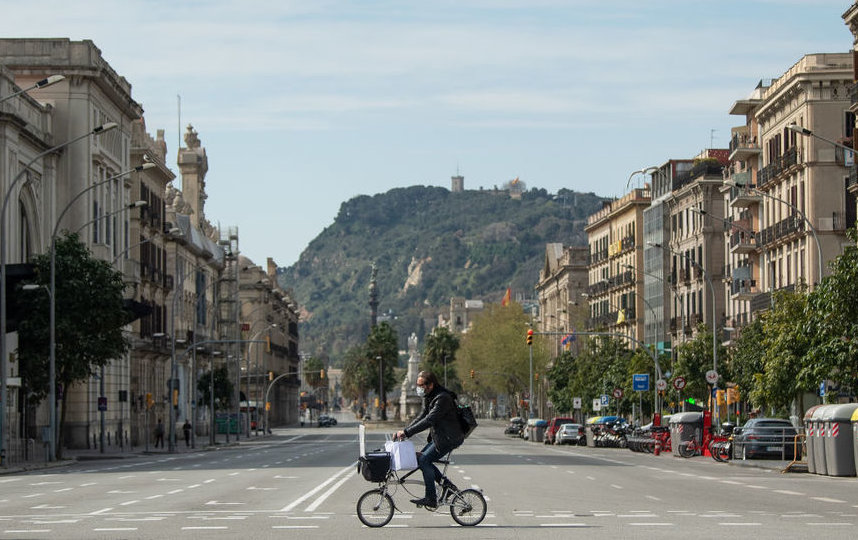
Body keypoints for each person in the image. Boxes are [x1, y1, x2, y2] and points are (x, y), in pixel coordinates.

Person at [395, 371, 465, 508]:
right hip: (440, 437)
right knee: (420, 459)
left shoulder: (442, 398)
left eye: (421, 385)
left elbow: (429, 420)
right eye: (417, 385)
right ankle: (447, 487)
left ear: (431, 385)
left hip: (449, 438)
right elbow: (421, 416)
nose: (419, 388)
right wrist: (404, 431)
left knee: (423, 460)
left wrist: (407, 432)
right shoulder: (430, 397)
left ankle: (431, 497)